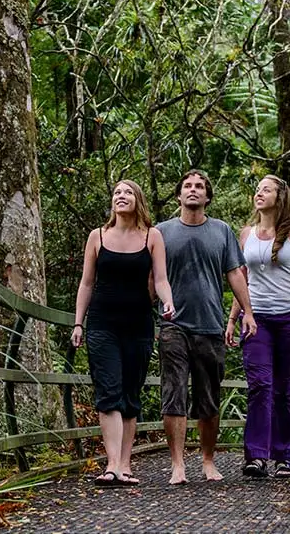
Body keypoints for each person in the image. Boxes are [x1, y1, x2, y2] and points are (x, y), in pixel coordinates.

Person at [72, 180, 175, 487]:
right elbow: (86, 283)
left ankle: (126, 465)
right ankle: (112, 465)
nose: (121, 196)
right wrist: (79, 323)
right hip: (102, 324)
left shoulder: (152, 236)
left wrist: (168, 301)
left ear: (137, 200)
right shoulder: (97, 236)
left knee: (130, 394)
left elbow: (160, 280)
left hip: (139, 324)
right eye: (117, 192)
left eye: (128, 192)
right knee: (108, 391)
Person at [157, 169, 256, 484]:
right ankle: (177, 465)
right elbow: (151, 277)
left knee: (209, 396)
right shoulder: (161, 232)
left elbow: (236, 274)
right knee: (173, 392)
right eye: (187, 186)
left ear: (207, 196)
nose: (193, 190)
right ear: (179, 195)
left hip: (210, 325)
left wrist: (248, 313)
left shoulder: (222, 231)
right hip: (172, 324)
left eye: (199, 186)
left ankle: (208, 460)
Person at [226, 174, 290, 479]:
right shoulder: (246, 234)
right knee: (259, 386)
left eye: (266, 189)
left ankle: (283, 457)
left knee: (283, 390)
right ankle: (256, 456)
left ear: (279, 197)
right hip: (256, 320)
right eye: (257, 190)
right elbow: (241, 280)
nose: (259, 193)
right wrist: (232, 319)